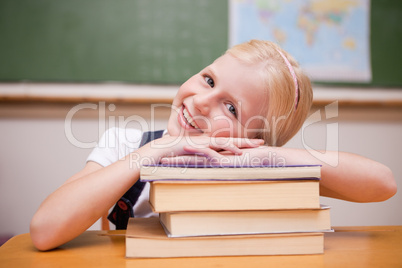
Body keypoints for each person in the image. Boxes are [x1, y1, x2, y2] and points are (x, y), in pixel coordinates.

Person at [30, 40, 396, 251]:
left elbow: (382, 183)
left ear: (253, 137)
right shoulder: (127, 143)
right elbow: (45, 230)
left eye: (232, 107)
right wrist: (149, 155)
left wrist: (269, 156)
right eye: (208, 80)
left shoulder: (259, 166)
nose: (203, 101)